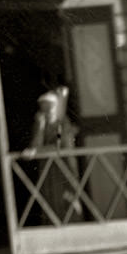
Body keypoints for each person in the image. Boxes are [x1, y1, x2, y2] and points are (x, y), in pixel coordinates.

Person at [22, 85, 80, 223]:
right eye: (43, 107)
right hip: (48, 169)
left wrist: (36, 152)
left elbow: (59, 146)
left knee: (68, 200)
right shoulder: (41, 123)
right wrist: (40, 128)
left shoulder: (63, 123)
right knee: (50, 201)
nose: (47, 110)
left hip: (65, 167)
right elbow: (35, 144)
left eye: (50, 106)